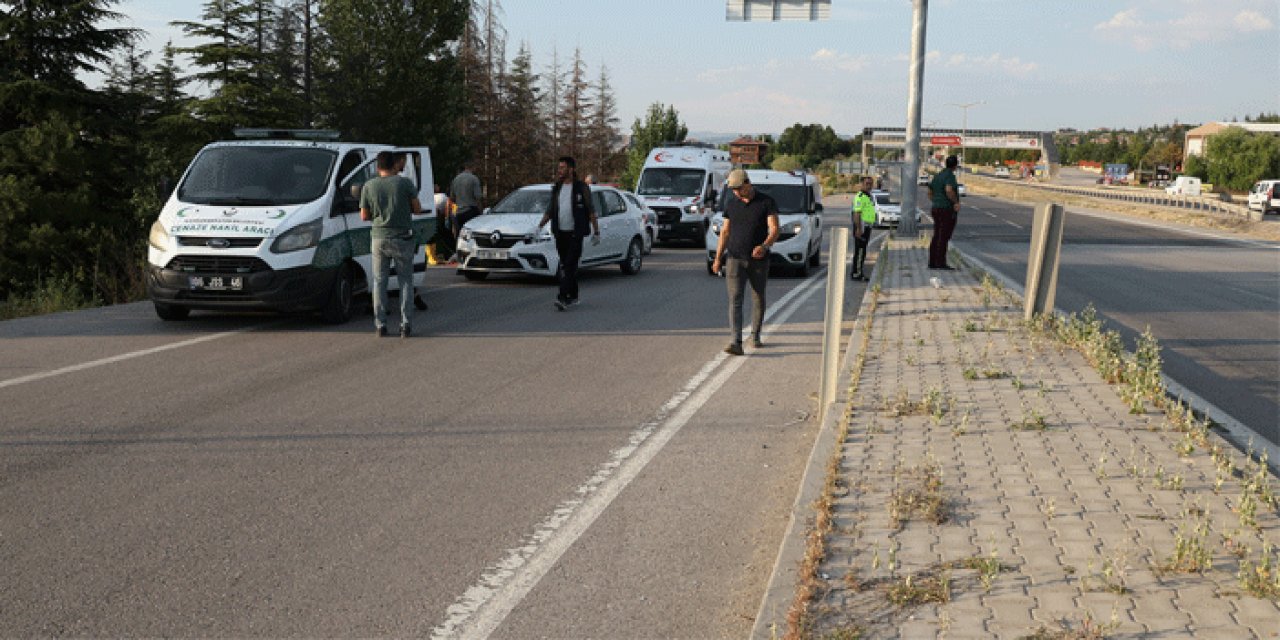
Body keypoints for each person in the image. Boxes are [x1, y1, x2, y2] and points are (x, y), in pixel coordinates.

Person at [711, 169, 779, 356]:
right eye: (733, 190)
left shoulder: (766, 202)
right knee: (735, 299)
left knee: (758, 296)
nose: (736, 193)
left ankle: (755, 335)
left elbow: (774, 229)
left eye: (739, 189)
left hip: (758, 261)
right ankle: (736, 342)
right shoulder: (731, 204)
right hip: (734, 258)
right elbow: (725, 232)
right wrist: (718, 258)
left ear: (748, 184)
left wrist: (764, 246)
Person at [361, 150, 424, 338]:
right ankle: (405, 324)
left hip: (379, 238)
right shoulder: (405, 183)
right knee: (405, 281)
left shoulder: (369, 186)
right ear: (395, 164)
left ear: (377, 166)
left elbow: (364, 216)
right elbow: (417, 208)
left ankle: (380, 324)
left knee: (380, 281)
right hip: (402, 237)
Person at [534, 156, 600, 310]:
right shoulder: (557, 187)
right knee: (567, 265)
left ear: (571, 169)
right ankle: (574, 295)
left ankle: (562, 297)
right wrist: (539, 226)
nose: (559, 171)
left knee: (569, 266)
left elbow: (591, 210)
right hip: (560, 233)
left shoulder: (581, 187)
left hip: (575, 234)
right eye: (559, 168)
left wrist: (596, 231)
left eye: (562, 168)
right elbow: (551, 210)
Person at [928, 155, 961, 270]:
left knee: (937, 235)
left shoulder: (938, 175)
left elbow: (930, 192)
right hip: (946, 210)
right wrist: (955, 202)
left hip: (936, 208)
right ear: (955, 166)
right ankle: (940, 262)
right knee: (944, 237)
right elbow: (949, 190)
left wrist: (936, 201)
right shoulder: (949, 176)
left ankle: (932, 262)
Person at [449, 162, 483, 255]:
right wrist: (481, 212)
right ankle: (473, 253)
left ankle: (459, 252)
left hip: (458, 211)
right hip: (470, 210)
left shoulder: (456, 179)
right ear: (472, 167)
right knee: (473, 235)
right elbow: (478, 197)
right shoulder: (474, 179)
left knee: (460, 235)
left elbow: (452, 198)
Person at [850, 176, 877, 281]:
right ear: (862, 184)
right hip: (861, 228)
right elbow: (857, 213)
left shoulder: (868, 196)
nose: (869, 186)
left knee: (863, 251)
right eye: (867, 184)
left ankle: (858, 271)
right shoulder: (860, 197)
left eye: (871, 184)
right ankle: (857, 273)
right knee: (860, 251)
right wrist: (858, 229)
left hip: (866, 227)